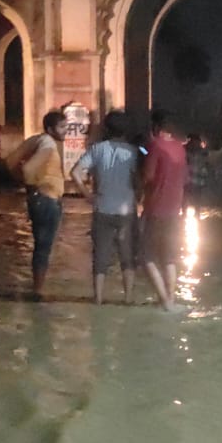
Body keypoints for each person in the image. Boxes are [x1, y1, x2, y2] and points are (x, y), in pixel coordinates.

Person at [71, 109, 139, 306]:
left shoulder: (97, 149)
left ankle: (98, 299)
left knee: (100, 255)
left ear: (106, 129)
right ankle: (128, 298)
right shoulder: (133, 151)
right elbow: (139, 177)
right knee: (127, 255)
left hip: (102, 208)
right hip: (126, 210)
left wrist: (87, 195)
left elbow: (75, 172)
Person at [6, 109, 67, 297]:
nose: (65, 130)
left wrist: (29, 188)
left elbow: (9, 161)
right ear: (50, 129)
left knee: (40, 244)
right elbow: (28, 170)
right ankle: (38, 291)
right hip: (47, 199)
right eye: (62, 127)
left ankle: (36, 288)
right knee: (44, 246)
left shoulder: (37, 140)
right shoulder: (48, 144)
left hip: (38, 200)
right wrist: (34, 184)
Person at [141, 109, 188, 310]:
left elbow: (148, 176)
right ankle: (172, 299)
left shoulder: (155, 146)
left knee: (146, 257)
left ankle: (164, 301)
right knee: (169, 257)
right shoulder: (180, 148)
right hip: (174, 209)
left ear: (155, 126)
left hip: (156, 208)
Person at [185, 133, 209, 207]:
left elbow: (206, 165)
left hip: (191, 179)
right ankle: (195, 211)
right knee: (195, 198)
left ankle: (189, 211)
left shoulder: (185, 149)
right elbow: (206, 165)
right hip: (194, 179)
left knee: (188, 197)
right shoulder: (204, 152)